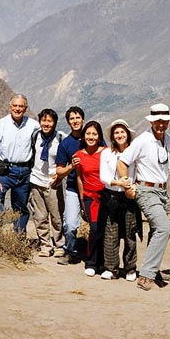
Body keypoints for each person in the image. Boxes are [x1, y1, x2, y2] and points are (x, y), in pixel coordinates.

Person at [116, 103, 170, 291]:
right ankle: (146, 275)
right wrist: (127, 186)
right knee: (164, 229)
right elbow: (122, 161)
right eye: (158, 121)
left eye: (164, 121)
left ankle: (153, 269)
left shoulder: (168, 140)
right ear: (152, 122)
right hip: (146, 190)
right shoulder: (143, 140)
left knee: (156, 230)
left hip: (162, 191)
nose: (161, 125)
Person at [0, 94, 40, 234]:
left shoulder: (33, 125)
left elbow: (47, 138)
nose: (17, 109)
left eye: (21, 106)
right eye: (15, 105)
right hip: (4, 172)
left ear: (25, 108)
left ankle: (18, 239)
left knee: (20, 207)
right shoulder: (0, 125)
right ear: (10, 107)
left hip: (25, 172)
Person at [99, 119, 140, 282]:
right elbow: (103, 176)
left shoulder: (135, 152)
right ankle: (111, 268)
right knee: (111, 233)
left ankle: (130, 268)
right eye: (116, 132)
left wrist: (132, 186)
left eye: (122, 132)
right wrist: (118, 183)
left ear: (128, 134)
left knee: (130, 232)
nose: (120, 135)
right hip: (112, 195)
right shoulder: (106, 153)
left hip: (130, 195)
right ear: (112, 136)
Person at [28, 108, 66, 257]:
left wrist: (61, 175)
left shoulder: (61, 138)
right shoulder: (35, 136)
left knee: (56, 216)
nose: (46, 124)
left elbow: (70, 155)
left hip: (53, 182)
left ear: (55, 122)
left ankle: (59, 245)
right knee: (40, 216)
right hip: (36, 181)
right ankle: (45, 245)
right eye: (43, 120)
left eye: (49, 121)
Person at [74, 121, 106, 276]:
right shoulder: (79, 156)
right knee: (94, 229)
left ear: (99, 136)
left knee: (106, 230)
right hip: (89, 197)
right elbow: (79, 178)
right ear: (83, 135)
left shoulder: (106, 153)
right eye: (88, 134)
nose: (91, 137)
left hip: (106, 196)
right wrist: (82, 198)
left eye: (94, 134)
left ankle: (104, 263)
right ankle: (91, 262)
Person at [54, 106, 86, 265]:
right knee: (70, 224)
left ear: (83, 119)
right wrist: (71, 167)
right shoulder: (65, 144)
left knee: (98, 224)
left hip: (93, 188)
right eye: (72, 118)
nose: (75, 121)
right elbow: (59, 171)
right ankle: (70, 251)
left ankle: (97, 255)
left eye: (78, 117)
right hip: (73, 187)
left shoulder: (93, 137)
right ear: (68, 122)